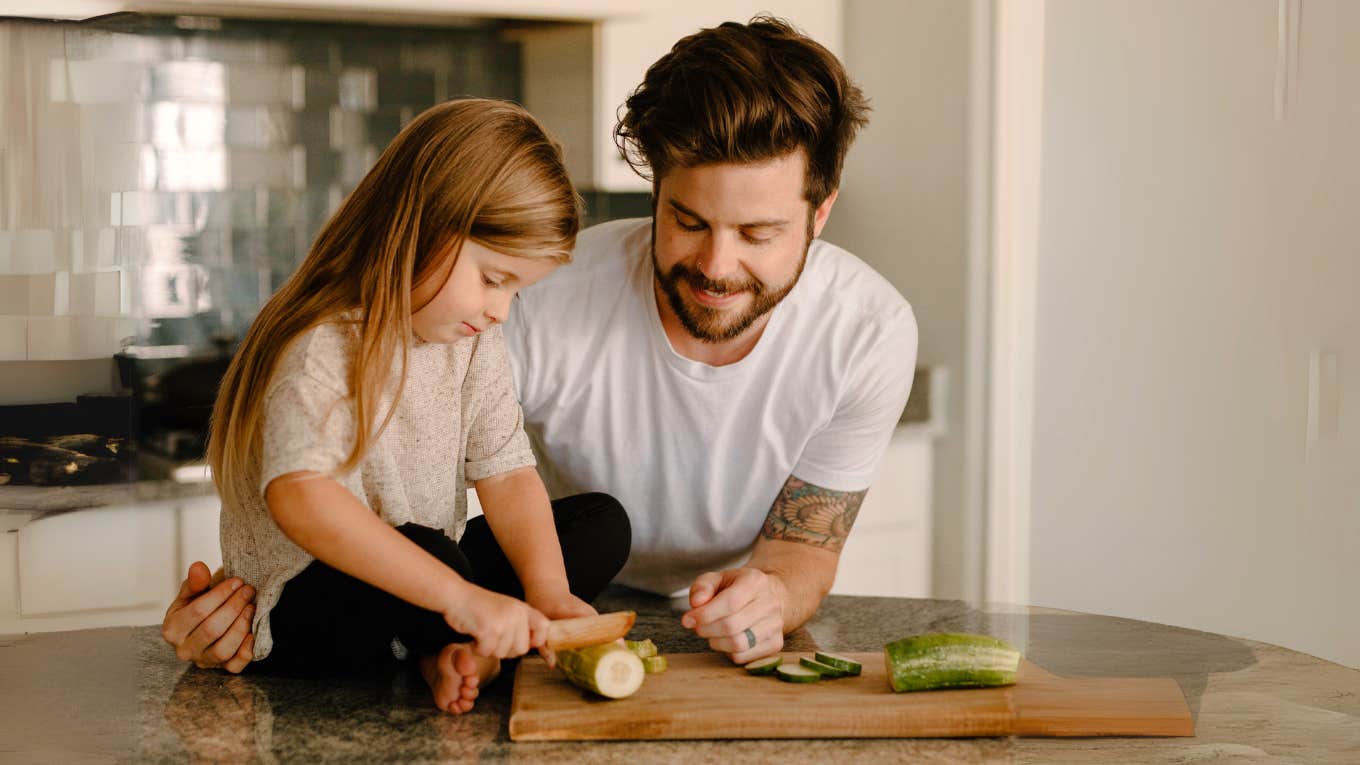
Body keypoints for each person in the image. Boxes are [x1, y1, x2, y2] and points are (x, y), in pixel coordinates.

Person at [164, 16, 914, 671]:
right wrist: (234, 607)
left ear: (820, 214)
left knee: (586, 526)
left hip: (528, 591)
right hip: (403, 578)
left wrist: (769, 594)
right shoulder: (533, 298)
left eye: (758, 233)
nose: (717, 265)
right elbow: (335, 501)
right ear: (655, 190)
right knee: (426, 550)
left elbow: (802, 550)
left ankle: (448, 639)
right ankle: (442, 640)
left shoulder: (867, 332)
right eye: (687, 221)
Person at [181, 97, 631, 715]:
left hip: (424, 576)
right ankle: (454, 634)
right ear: (422, 227)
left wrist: (548, 591)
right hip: (306, 611)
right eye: (494, 279)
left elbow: (505, 469)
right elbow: (300, 497)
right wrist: (461, 597)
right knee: (430, 553)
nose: (500, 310)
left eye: (517, 292)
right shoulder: (326, 343)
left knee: (599, 524)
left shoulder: (474, 342)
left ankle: (441, 647)